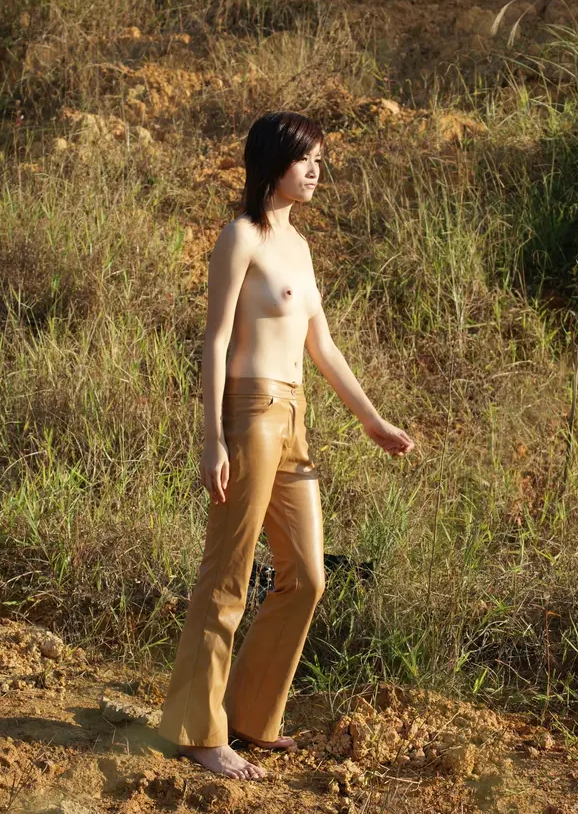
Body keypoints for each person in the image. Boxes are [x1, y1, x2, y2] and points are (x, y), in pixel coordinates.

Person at [157, 111, 415, 781]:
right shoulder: (240, 236)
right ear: (274, 161)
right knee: (228, 575)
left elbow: (321, 344)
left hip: (295, 416)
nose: (316, 171)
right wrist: (212, 439)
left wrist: (371, 419)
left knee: (306, 575)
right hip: (247, 414)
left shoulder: (299, 245)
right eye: (306, 159)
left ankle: (249, 716)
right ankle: (198, 730)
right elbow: (215, 340)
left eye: (320, 160)